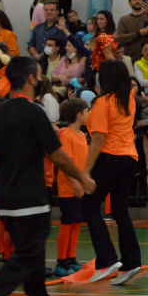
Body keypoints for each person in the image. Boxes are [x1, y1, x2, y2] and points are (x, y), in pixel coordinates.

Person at [0, 57, 96, 296]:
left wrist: (2, 179)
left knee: (34, 257)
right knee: (24, 258)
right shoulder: (34, 113)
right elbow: (57, 155)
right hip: (31, 202)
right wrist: (81, 177)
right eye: (38, 74)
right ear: (32, 79)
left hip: (8, 201)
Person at [81, 59, 143, 285]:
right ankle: (131, 262)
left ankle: (107, 260)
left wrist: (86, 172)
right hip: (129, 158)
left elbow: (98, 138)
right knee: (120, 211)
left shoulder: (102, 103)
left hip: (109, 157)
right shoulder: (128, 99)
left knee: (88, 206)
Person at [54, 99, 90, 277]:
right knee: (68, 223)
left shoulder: (82, 136)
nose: (89, 115)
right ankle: (61, 262)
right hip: (69, 188)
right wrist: (75, 184)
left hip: (81, 188)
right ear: (79, 115)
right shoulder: (66, 135)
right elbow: (65, 163)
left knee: (76, 223)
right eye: (87, 111)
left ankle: (71, 258)